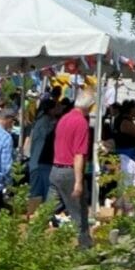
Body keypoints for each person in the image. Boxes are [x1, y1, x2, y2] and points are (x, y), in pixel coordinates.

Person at [51, 91, 96, 249]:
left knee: (48, 208)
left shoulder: (64, 118)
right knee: (79, 212)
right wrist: (78, 181)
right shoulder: (81, 122)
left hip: (55, 168)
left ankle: (31, 240)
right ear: (90, 107)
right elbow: (79, 154)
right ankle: (85, 246)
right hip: (69, 171)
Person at [25, 97, 61, 207]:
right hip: (39, 160)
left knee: (36, 193)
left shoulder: (39, 120)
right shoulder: (46, 121)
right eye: (56, 108)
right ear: (50, 109)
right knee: (39, 193)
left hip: (35, 161)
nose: (57, 110)